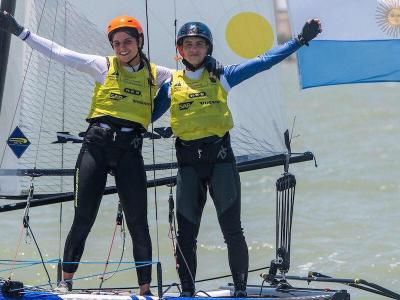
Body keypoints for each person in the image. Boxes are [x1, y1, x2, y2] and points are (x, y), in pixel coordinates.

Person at [0, 12, 220, 295]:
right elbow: (59, 53)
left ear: (139, 41)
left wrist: (211, 64)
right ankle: (65, 281)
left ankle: (145, 290)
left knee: (138, 221)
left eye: (127, 41)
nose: (122, 47)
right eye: (116, 43)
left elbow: (189, 75)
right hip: (96, 147)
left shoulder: (157, 74)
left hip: (130, 152)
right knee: (84, 217)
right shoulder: (102, 65)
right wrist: (20, 32)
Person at [153, 19, 322, 297]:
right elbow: (143, 115)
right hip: (188, 167)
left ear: (208, 48)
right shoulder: (170, 85)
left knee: (233, 231)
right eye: (188, 44)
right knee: (185, 236)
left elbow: (264, 61)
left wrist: (300, 40)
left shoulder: (222, 76)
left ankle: (241, 292)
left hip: (221, 162)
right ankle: (187, 293)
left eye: (199, 44)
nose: (193, 49)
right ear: (179, 50)